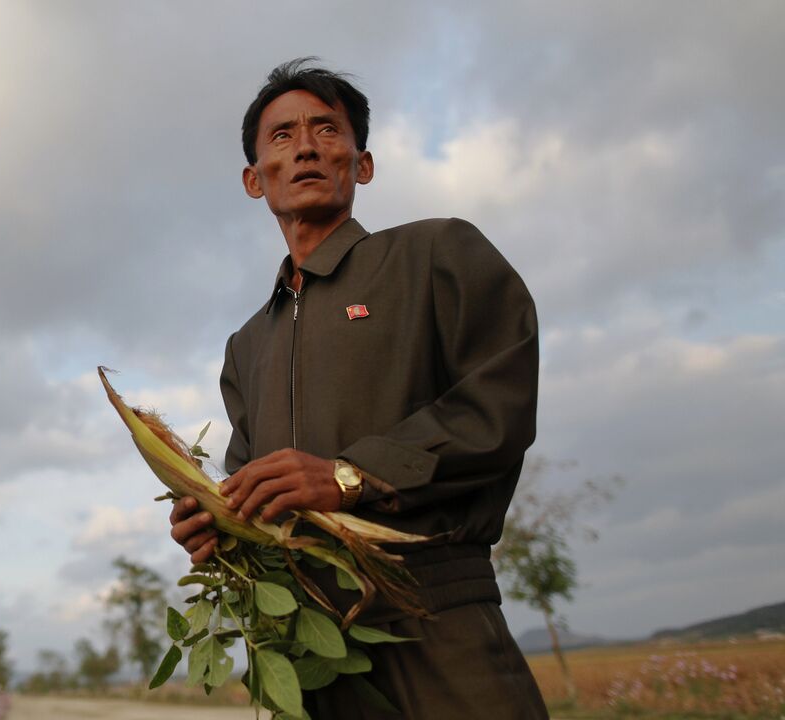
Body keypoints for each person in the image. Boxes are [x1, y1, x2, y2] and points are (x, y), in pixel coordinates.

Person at [168, 58, 549, 719]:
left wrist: (349, 475)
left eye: (326, 129)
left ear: (361, 164)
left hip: (437, 617)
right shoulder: (246, 346)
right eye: (282, 136)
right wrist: (218, 524)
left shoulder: (437, 257)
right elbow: (260, 497)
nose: (307, 145)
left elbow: (499, 407)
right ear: (254, 180)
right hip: (311, 648)